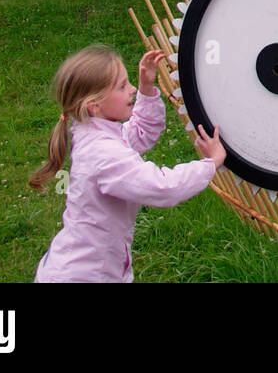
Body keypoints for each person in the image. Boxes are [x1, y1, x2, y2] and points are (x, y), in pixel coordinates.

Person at [29, 44, 225, 282]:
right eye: (122, 86)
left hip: (86, 268)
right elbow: (164, 188)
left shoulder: (98, 132)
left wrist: (146, 88)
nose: (131, 88)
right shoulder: (102, 154)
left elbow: (142, 131)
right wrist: (210, 163)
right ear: (94, 104)